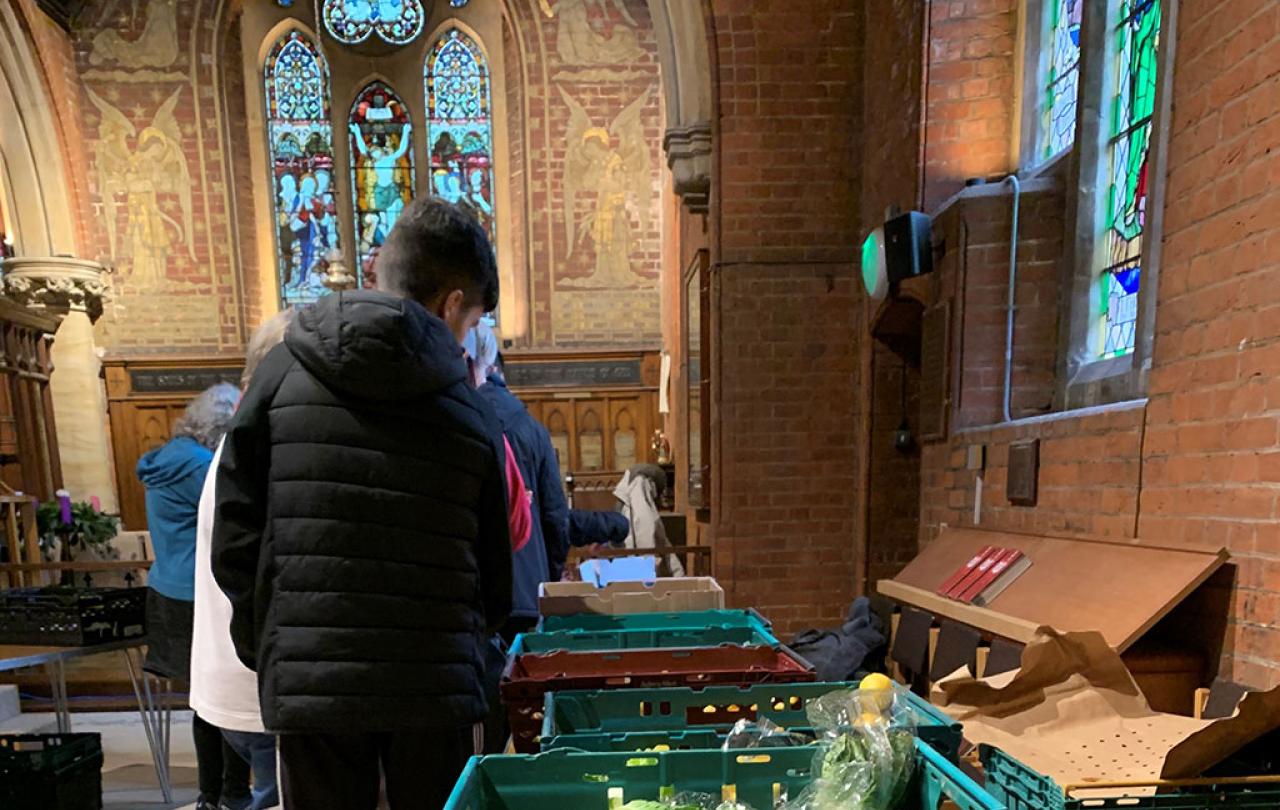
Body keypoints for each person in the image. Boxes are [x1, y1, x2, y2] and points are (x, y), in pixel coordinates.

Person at [212, 196, 514, 810]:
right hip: (432, 687)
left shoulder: (282, 372)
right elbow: (494, 572)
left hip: (312, 679)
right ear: (451, 303)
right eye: (474, 319)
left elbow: (235, 530)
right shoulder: (469, 410)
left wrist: (272, 645)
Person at [190, 312, 294, 810]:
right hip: (258, 684)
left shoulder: (238, 446)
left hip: (240, 680)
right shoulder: (262, 448)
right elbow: (247, 568)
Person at [137, 382, 248, 810]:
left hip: (166, 587)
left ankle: (210, 795)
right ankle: (234, 793)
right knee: (225, 699)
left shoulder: (164, 460)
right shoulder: (201, 466)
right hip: (201, 593)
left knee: (203, 701)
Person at [470, 330, 570, 754]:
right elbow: (553, 515)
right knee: (525, 705)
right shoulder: (530, 428)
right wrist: (550, 573)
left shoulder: (458, 418)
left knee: (484, 715)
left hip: (472, 598)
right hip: (525, 593)